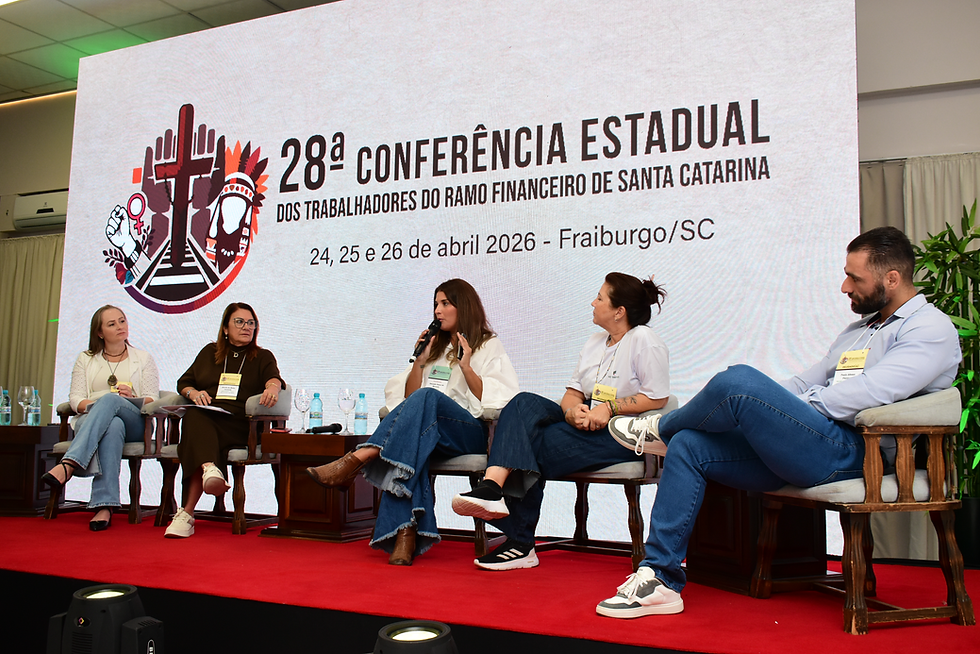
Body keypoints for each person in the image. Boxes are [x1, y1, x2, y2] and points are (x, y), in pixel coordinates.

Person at [594, 226, 961, 618]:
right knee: (690, 446)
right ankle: (660, 578)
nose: (844, 286)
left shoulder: (929, 329)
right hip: (810, 447)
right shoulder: (860, 330)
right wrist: (775, 406)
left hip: (857, 452)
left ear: (892, 278)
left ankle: (659, 428)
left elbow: (871, 393)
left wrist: (785, 408)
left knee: (737, 382)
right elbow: (805, 381)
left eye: (855, 278)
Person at [451, 273, 670, 570]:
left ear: (619, 312)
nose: (593, 302)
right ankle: (492, 488)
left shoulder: (644, 340)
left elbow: (657, 399)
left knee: (525, 446)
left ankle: (518, 539)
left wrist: (610, 408)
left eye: (600, 298)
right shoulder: (595, 342)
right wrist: (571, 412)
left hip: (620, 434)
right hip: (582, 425)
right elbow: (571, 394)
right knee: (523, 402)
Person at [305, 279, 519, 565]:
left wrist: (466, 366)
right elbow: (407, 399)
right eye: (435, 305)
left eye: (445, 303)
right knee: (414, 438)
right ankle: (405, 533)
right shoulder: (435, 345)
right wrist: (421, 362)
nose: (438, 311)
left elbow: (497, 399)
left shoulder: (488, 345)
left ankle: (363, 456)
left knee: (427, 400)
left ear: (463, 306)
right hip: (429, 431)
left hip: (469, 433)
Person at [164, 302, 285, 538]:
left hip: (241, 425)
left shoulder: (262, 356)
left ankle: (187, 513)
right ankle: (209, 469)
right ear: (226, 328)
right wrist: (194, 393)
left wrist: (273, 388)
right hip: (209, 418)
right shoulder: (210, 353)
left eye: (251, 323)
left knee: (195, 425)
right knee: (196, 415)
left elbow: (274, 379)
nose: (246, 327)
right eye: (239, 322)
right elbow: (184, 382)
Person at [41, 305, 160, 531]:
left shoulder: (143, 358)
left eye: (122, 321)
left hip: (134, 419)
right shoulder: (85, 359)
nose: (120, 327)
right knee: (111, 423)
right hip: (92, 418)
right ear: (99, 332)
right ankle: (104, 506)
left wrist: (133, 397)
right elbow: (76, 400)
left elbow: (152, 399)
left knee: (112, 401)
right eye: (112, 324)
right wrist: (99, 407)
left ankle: (70, 463)